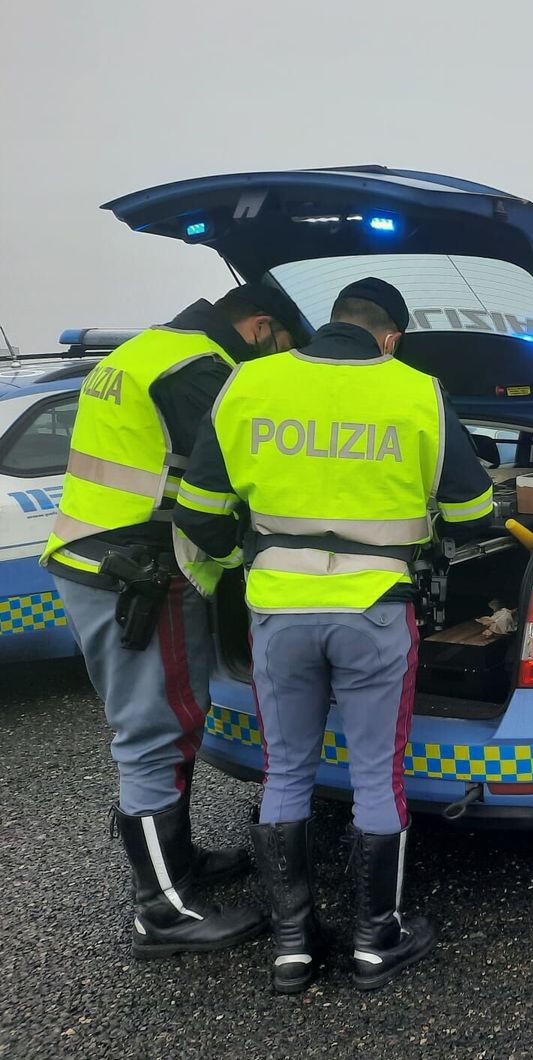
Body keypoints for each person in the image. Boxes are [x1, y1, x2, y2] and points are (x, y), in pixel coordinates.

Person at [174, 278, 494, 994]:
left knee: (287, 769)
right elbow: (474, 512)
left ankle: (292, 945)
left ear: (330, 324)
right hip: (375, 610)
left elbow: (197, 513)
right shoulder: (416, 391)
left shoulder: (248, 386)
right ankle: (375, 941)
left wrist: (250, 559)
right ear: (390, 337)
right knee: (376, 774)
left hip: (278, 613)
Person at [40, 284, 304, 959]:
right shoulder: (199, 370)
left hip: (96, 556)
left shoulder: (147, 349)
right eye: (281, 351)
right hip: (141, 573)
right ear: (262, 326)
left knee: (168, 721)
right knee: (155, 730)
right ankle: (162, 912)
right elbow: (238, 477)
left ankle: (178, 865)